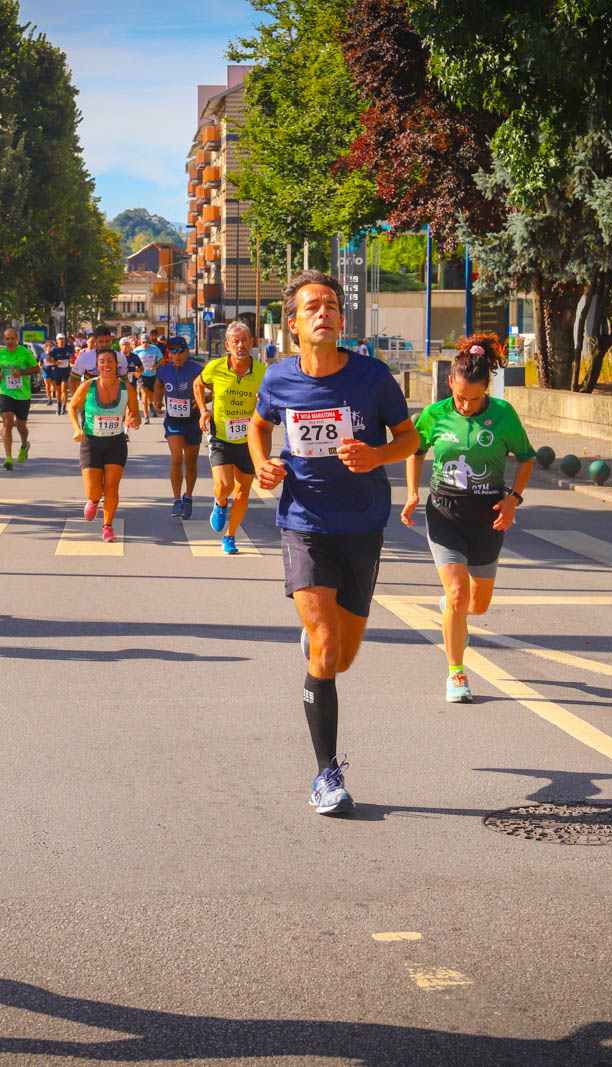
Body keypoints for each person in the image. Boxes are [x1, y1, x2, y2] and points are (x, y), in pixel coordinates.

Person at [248, 270, 417, 815]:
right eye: (312, 306)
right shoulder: (278, 378)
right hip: (304, 522)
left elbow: (409, 438)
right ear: (293, 323)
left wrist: (378, 456)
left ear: (342, 319)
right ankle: (326, 776)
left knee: (342, 657)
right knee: (325, 643)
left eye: (332, 305)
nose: (324, 312)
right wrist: (261, 466)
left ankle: (318, 645)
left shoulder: (372, 377)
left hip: (363, 524)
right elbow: (258, 426)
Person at [401, 335, 535, 703]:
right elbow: (415, 451)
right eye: (460, 397)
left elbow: (525, 457)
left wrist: (513, 499)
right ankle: (456, 674)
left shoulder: (504, 416)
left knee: (477, 604)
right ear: (450, 384)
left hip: (487, 516)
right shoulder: (435, 414)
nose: (465, 404)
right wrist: (413, 493)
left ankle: (453, 610)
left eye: (473, 398)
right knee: (458, 593)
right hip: (445, 512)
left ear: (486, 389)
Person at [195, 319, 265, 554]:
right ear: (228, 345)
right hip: (221, 436)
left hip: (248, 439)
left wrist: (263, 405)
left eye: (245, 340)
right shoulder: (215, 368)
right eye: (236, 341)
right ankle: (220, 502)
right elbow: (198, 384)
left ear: (252, 343)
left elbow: (269, 399)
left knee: (243, 492)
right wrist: (204, 411)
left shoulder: (262, 373)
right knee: (224, 486)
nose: (241, 345)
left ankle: (230, 536)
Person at [69, 346, 142, 543]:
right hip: (91, 443)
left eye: (110, 361)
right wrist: (77, 428)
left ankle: (108, 526)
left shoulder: (128, 389)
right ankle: (93, 500)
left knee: (111, 487)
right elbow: (72, 406)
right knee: (93, 489)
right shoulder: (88, 387)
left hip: (115, 443)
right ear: (97, 365)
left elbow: (135, 414)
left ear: (117, 364)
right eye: (102, 362)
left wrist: (133, 419)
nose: (106, 365)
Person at [155, 334, 204, 517]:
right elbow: (159, 386)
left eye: (180, 351)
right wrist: (157, 402)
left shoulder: (197, 369)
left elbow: (213, 390)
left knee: (191, 464)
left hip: (192, 421)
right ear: (169, 353)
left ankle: (188, 496)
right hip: (173, 421)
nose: (177, 355)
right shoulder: (164, 370)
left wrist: (202, 401)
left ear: (187, 351)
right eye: (173, 352)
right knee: (177, 458)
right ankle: (176, 500)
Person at [0, 327, 40, 469]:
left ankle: (24, 444)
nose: (9, 341)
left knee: (21, 426)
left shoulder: (25, 352)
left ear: (17, 339)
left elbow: (36, 369)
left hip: (22, 394)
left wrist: (22, 372)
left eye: (12, 338)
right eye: (7, 339)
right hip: (5, 392)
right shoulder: (1, 353)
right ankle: (8, 458)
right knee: (7, 422)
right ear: (3, 340)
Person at [134, 333, 165, 419]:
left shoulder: (155, 349)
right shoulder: (137, 350)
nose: (145, 344)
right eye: (143, 342)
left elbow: (162, 359)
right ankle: (146, 417)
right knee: (144, 394)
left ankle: (151, 404)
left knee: (151, 396)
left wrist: (155, 366)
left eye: (147, 342)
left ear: (149, 341)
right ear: (140, 342)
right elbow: (134, 362)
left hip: (152, 375)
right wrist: (137, 368)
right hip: (142, 375)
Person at [44, 332, 75, 415]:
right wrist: (56, 362)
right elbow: (48, 359)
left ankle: (64, 407)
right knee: (58, 390)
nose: (61, 341)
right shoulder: (54, 349)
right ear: (57, 341)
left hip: (66, 371)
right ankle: (59, 405)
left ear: (65, 340)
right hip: (57, 371)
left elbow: (72, 356)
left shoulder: (69, 348)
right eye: (60, 339)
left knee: (64, 389)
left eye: (63, 339)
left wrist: (71, 359)